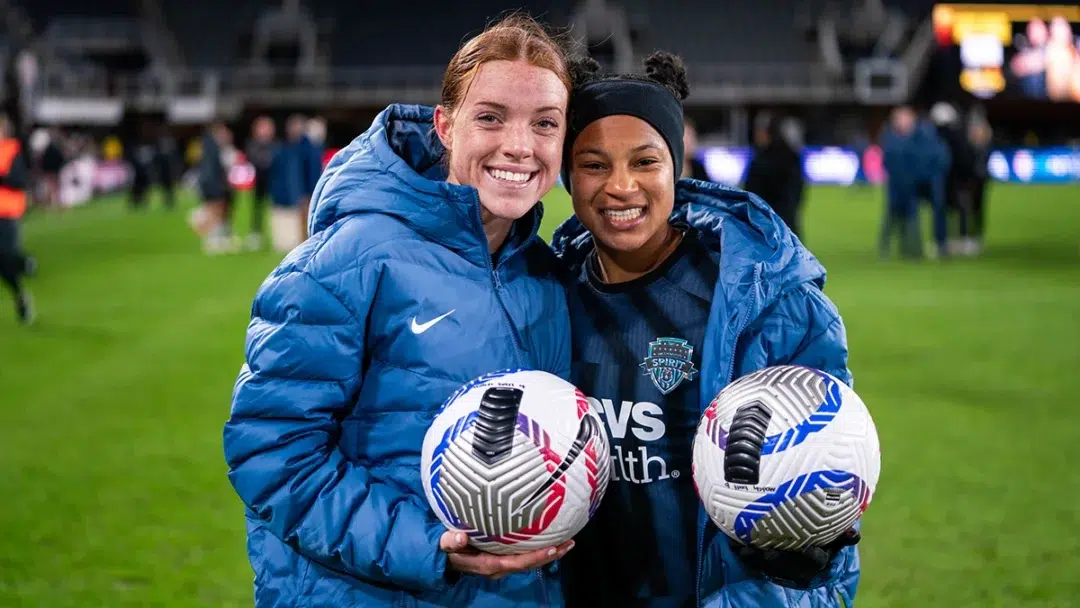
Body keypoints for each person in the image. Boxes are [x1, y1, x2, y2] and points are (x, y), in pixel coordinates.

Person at [224, 14, 577, 607]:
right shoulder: (349, 259)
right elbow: (271, 452)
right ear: (445, 125)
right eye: (490, 117)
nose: (520, 145)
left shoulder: (546, 278)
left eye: (545, 124)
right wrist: (428, 546)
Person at [552, 52, 861, 607]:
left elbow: (828, 469)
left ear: (678, 165)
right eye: (594, 164)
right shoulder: (547, 292)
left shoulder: (765, 303)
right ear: (566, 175)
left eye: (645, 162)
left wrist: (814, 547)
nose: (621, 186)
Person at [743, 113, 806, 238]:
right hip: (789, 227)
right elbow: (797, 194)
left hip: (766, 228)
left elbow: (751, 195)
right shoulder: (793, 157)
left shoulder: (761, 160)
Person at [0, 114, 35, 325]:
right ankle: (21, 296)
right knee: (3, 265)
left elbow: (19, 180)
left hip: (8, 213)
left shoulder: (13, 151)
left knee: (7, 255)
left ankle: (25, 263)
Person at [268, 114, 319, 252]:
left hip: (305, 192)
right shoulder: (285, 148)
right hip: (289, 192)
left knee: (305, 223)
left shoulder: (308, 148)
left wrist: (309, 193)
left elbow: (312, 171)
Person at [245, 116, 277, 250]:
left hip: (274, 181)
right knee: (257, 209)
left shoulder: (275, 145)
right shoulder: (253, 144)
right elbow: (256, 160)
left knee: (275, 210)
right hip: (259, 181)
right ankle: (256, 235)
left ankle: (276, 234)